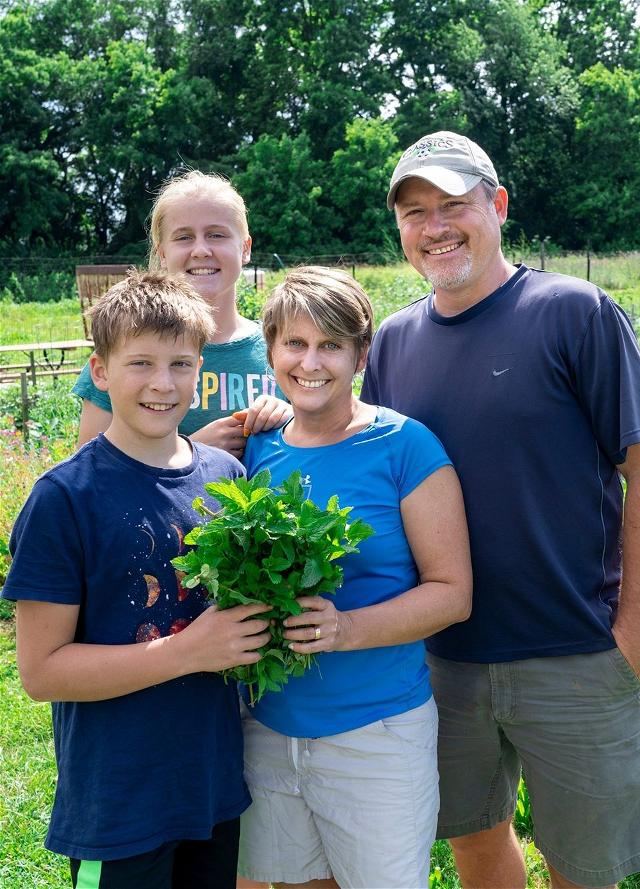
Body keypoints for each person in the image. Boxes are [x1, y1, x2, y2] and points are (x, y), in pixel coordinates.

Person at [360, 131, 640, 889]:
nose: (434, 226)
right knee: (474, 839)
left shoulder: (573, 312)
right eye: (414, 213)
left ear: (497, 205)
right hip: (443, 659)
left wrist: (629, 638)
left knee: (584, 866)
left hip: (573, 652)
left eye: (452, 205)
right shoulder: (394, 344)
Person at [2, 271, 273, 889]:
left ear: (201, 368)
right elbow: (42, 672)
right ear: (100, 371)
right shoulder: (64, 499)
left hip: (211, 786)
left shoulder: (225, 477)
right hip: (119, 802)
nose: (162, 382)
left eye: (181, 363)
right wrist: (187, 651)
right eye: (140, 362)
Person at [234, 266, 472, 889]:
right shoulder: (257, 449)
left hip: (376, 734)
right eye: (295, 343)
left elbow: (453, 592)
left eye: (331, 345)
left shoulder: (404, 446)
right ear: (271, 350)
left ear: (361, 354)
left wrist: (344, 628)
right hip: (268, 727)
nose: (310, 363)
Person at [73, 170, 290, 456]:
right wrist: (192, 452)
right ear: (162, 253)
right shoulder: (127, 351)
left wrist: (291, 419)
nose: (201, 250)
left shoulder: (285, 349)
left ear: (245, 248)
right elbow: (91, 471)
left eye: (216, 235)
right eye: (184, 237)